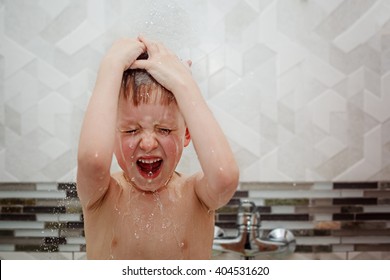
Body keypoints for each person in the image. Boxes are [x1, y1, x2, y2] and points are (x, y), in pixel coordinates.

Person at [76, 36, 239, 259]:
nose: (148, 143)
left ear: (187, 134)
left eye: (164, 129)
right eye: (131, 130)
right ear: (110, 136)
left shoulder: (196, 196)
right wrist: (111, 65)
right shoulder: (101, 195)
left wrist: (183, 83)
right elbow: (92, 161)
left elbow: (224, 178)